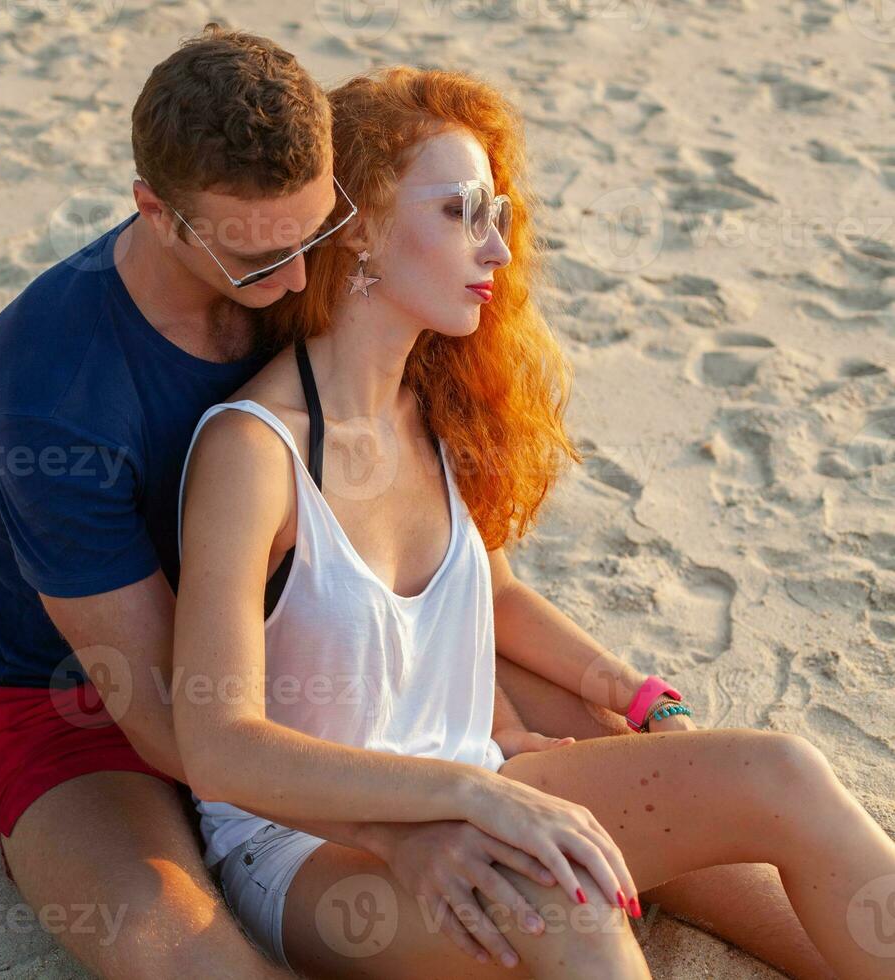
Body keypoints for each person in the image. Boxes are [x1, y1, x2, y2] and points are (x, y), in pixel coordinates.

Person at [0, 25, 838, 980]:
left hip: (311, 654)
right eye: (258, 263)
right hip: (85, 706)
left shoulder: (297, 253)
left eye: (316, 233)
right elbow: (175, 722)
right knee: (182, 952)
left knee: (643, 786)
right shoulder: (49, 384)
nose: (293, 285)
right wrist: (407, 827)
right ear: (157, 214)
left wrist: (584, 704)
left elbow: (458, 574)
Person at [171, 64, 895, 979]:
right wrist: (468, 794)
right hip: (308, 851)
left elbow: (497, 595)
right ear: (357, 230)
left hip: (482, 786)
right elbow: (217, 745)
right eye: (460, 211)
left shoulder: (430, 411)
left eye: (497, 215)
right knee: (572, 901)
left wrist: (636, 696)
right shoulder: (255, 452)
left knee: (783, 772)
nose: (497, 250)